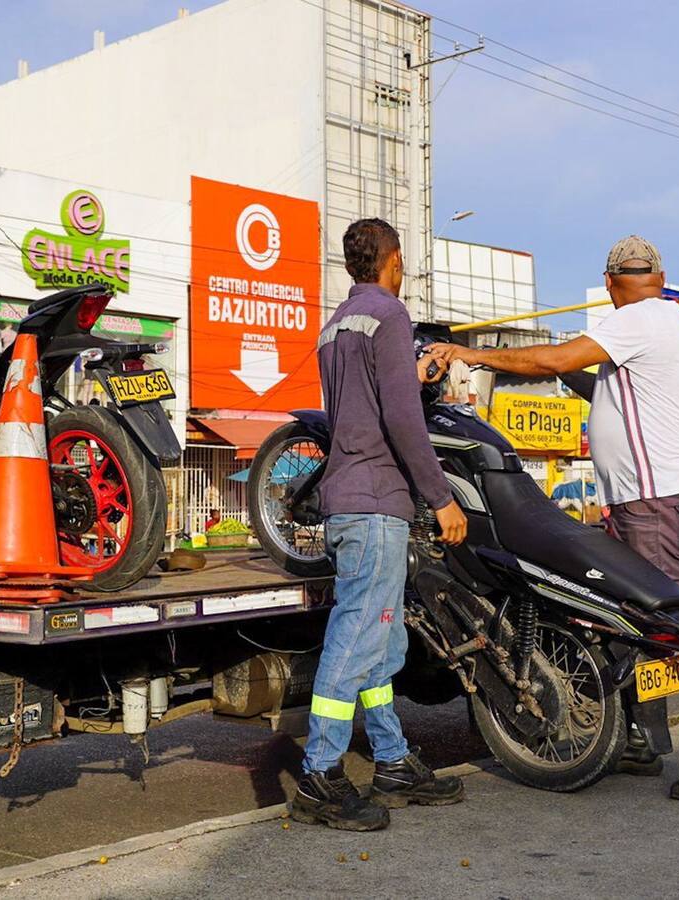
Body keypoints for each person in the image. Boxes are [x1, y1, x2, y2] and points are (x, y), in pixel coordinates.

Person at [432, 235, 679, 801]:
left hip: (656, 502)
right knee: (627, 619)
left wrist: (478, 354)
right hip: (647, 500)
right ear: (657, 275)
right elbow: (595, 382)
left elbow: (559, 357)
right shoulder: (663, 322)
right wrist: (562, 369)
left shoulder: (639, 318)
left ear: (613, 283)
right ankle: (641, 737)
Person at [292, 218, 468, 832]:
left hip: (348, 499)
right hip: (377, 501)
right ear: (393, 260)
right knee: (356, 638)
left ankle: (391, 760)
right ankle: (319, 775)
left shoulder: (335, 325)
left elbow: (368, 400)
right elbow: (399, 417)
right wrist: (440, 496)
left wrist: (411, 377)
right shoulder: (390, 316)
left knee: (381, 642)